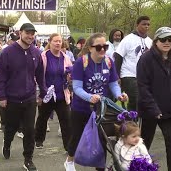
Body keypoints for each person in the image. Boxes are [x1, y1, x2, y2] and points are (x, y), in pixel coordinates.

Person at [64, 33, 128, 171]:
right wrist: (89, 97)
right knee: (77, 137)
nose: (103, 50)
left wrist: (119, 95)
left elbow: (113, 84)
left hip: (100, 109)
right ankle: (69, 161)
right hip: (81, 109)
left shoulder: (109, 62)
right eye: (99, 47)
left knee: (101, 139)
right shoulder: (82, 62)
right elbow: (77, 88)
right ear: (90, 48)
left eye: (105, 46)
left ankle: (100, 167)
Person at [0, 23, 47, 171]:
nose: (30, 36)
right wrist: (2, 96)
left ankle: (28, 159)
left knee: (30, 130)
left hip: (30, 98)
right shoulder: (8, 52)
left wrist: (42, 93)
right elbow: (1, 76)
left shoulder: (36, 52)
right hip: (12, 99)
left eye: (32, 34)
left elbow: (40, 76)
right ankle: (7, 143)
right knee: (10, 128)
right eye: (27, 33)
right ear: (20, 33)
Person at [137, 27, 171, 171]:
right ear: (156, 41)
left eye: (170, 39)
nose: (167, 42)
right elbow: (143, 87)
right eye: (163, 39)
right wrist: (153, 108)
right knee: (143, 145)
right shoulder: (146, 59)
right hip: (150, 111)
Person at [34, 33, 72, 151]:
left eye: (60, 41)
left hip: (61, 94)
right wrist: (40, 92)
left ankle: (68, 146)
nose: (58, 43)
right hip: (47, 94)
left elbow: (70, 73)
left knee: (66, 121)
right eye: (55, 41)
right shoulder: (43, 56)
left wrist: (70, 78)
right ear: (50, 42)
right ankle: (39, 140)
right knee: (42, 118)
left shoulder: (65, 57)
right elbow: (37, 75)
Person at [114, 16, 152, 111]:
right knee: (135, 98)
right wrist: (117, 76)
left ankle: (132, 119)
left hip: (144, 76)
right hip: (129, 74)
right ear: (137, 25)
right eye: (144, 24)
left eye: (148, 24)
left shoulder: (150, 41)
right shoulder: (128, 39)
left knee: (142, 100)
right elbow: (118, 57)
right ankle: (131, 119)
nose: (146, 26)